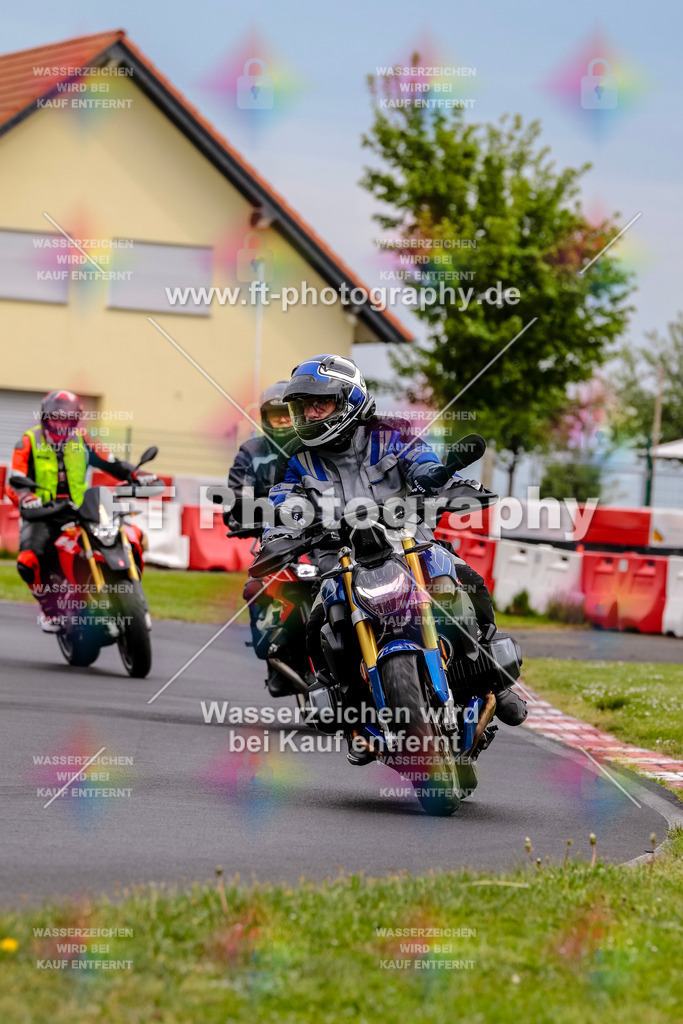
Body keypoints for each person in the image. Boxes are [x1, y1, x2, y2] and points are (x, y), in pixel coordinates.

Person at [266, 354, 527, 760]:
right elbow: (286, 504)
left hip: (410, 544)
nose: (311, 413)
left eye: (321, 404)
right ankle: (349, 709)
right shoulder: (298, 462)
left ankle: (496, 680)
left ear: (348, 401)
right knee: (319, 620)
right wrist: (278, 532)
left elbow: (424, 466)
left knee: (466, 580)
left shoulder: (393, 435)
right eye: (304, 406)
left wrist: (442, 483)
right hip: (344, 558)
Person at [6, 390, 156, 632]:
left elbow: (112, 462)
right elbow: (15, 481)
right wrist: (26, 499)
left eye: (67, 418)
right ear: (45, 417)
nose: (60, 423)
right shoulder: (28, 441)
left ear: (75, 420)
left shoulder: (84, 439)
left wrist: (136, 474)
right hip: (44, 513)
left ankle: (129, 595)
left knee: (129, 534)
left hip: (81, 510)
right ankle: (50, 610)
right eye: (56, 417)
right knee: (28, 559)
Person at [225, 382, 301, 697]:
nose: (282, 421)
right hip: (274, 535)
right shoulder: (252, 452)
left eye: (287, 414)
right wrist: (240, 513)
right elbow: (238, 491)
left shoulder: (312, 446)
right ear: (265, 418)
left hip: (323, 533)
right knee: (258, 587)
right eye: (275, 415)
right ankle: (275, 653)